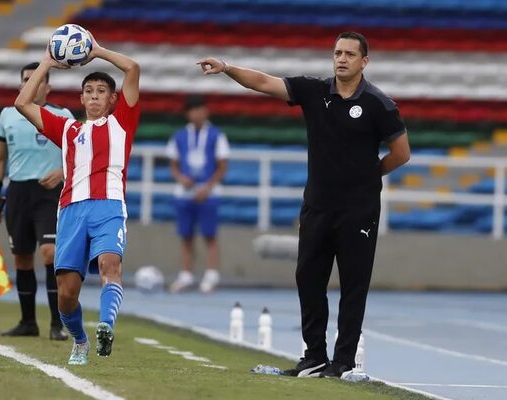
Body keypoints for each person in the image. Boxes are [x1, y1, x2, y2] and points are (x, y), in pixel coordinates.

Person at [197, 31, 410, 378]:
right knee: (308, 279)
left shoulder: (379, 104)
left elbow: (401, 153)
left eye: (350, 54)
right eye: (337, 53)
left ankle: (342, 362)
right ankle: (314, 357)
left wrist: (370, 176)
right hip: (317, 206)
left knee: (353, 286)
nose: (341, 59)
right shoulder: (314, 91)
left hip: (359, 210)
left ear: (364, 62)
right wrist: (226, 67)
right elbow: (264, 83)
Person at [14, 33, 140, 366]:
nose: (95, 96)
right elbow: (22, 104)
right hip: (71, 210)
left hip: (109, 206)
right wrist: (46, 62)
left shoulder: (122, 122)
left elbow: (132, 68)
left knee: (109, 266)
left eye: (101, 92)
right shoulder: (67, 129)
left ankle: (105, 327)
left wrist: (96, 51)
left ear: (112, 99)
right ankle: (80, 341)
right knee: (66, 296)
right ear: (81, 98)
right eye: (88, 91)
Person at [0, 62, 73, 341]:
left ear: (47, 86)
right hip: (18, 193)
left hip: (49, 194)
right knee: (22, 258)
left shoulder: (62, 115)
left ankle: (56, 325)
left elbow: (78, 154)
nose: (30, 84)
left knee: (49, 253)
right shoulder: (7, 115)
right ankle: (28, 322)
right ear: (21, 85)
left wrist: (62, 171)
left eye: (36, 79)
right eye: (26, 79)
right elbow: (0, 159)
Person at [166, 95, 229, 293]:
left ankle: (211, 275)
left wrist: (207, 187)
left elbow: (222, 166)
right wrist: (180, 178)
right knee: (186, 236)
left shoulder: (217, 135)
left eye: (200, 109)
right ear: (187, 114)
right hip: (185, 193)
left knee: (210, 235)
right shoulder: (179, 136)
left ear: (206, 111)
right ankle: (186, 275)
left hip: (208, 193)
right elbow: (173, 164)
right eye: (193, 110)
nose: (197, 114)